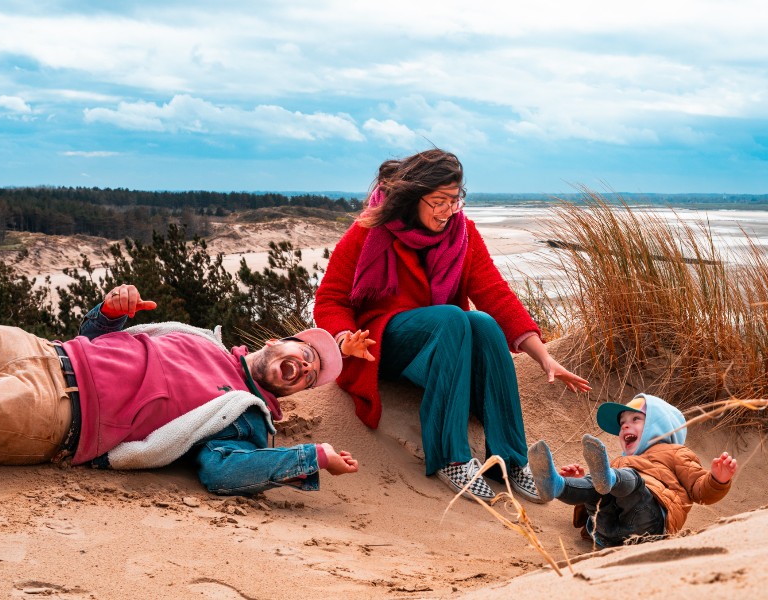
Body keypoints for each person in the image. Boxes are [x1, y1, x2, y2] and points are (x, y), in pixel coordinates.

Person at [313, 148, 590, 503]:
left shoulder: (463, 234)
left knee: (485, 323)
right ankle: (451, 457)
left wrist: (543, 357)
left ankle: (508, 459)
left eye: (455, 199)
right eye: (439, 201)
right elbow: (331, 298)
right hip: (380, 347)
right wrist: (342, 339)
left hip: (447, 347)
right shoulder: (369, 231)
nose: (449, 210)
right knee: (453, 317)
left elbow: (495, 293)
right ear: (414, 198)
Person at [0, 284, 358, 495]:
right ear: (275, 341)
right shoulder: (202, 340)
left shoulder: (244, 415)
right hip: (39, 349)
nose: (306, 367)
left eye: (311, 375)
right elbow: (94, 337)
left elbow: (225, 473)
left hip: (56, 411)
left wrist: (313, 456)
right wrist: (110, 312)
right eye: (306, 353)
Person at [528, 393, 737, 547]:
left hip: (650, 522)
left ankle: (596, 482)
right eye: (622, 424)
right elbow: (600, 497)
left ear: (659, 425)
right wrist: (582, 481)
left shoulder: (675, 453)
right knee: (599, 488)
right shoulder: (619, 462)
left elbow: (700, 490)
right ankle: (556, 485)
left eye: (635, 419)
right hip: (608, 533)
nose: (625, 427)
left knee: (631, 481)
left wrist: (718, 479)